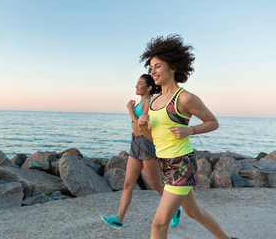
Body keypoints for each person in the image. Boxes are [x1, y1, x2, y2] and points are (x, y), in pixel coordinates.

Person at [138, 35, 236, 239]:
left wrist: (189, 130)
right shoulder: (153, 101)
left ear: (173, 67)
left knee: (158, 224)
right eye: (151, 68)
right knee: (194, 212)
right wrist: (144, 127)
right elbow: (153, 138)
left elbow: (213, 122)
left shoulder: (184, 98)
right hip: (165, 163)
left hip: (182, 163)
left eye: (157, 66)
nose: (153, 72)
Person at [101, 74, 181, 229]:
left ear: (149, 87)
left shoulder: (149, 103)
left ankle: (175, 209)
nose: (136, 86)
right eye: (136, 84)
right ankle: (119, 219)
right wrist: (132, 109)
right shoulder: (141, 103)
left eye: (140, 84)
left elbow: (140, 127)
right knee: (127, 184)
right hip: (135, 144)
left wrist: (130, 110)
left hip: (145, 144)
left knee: (155, 184)